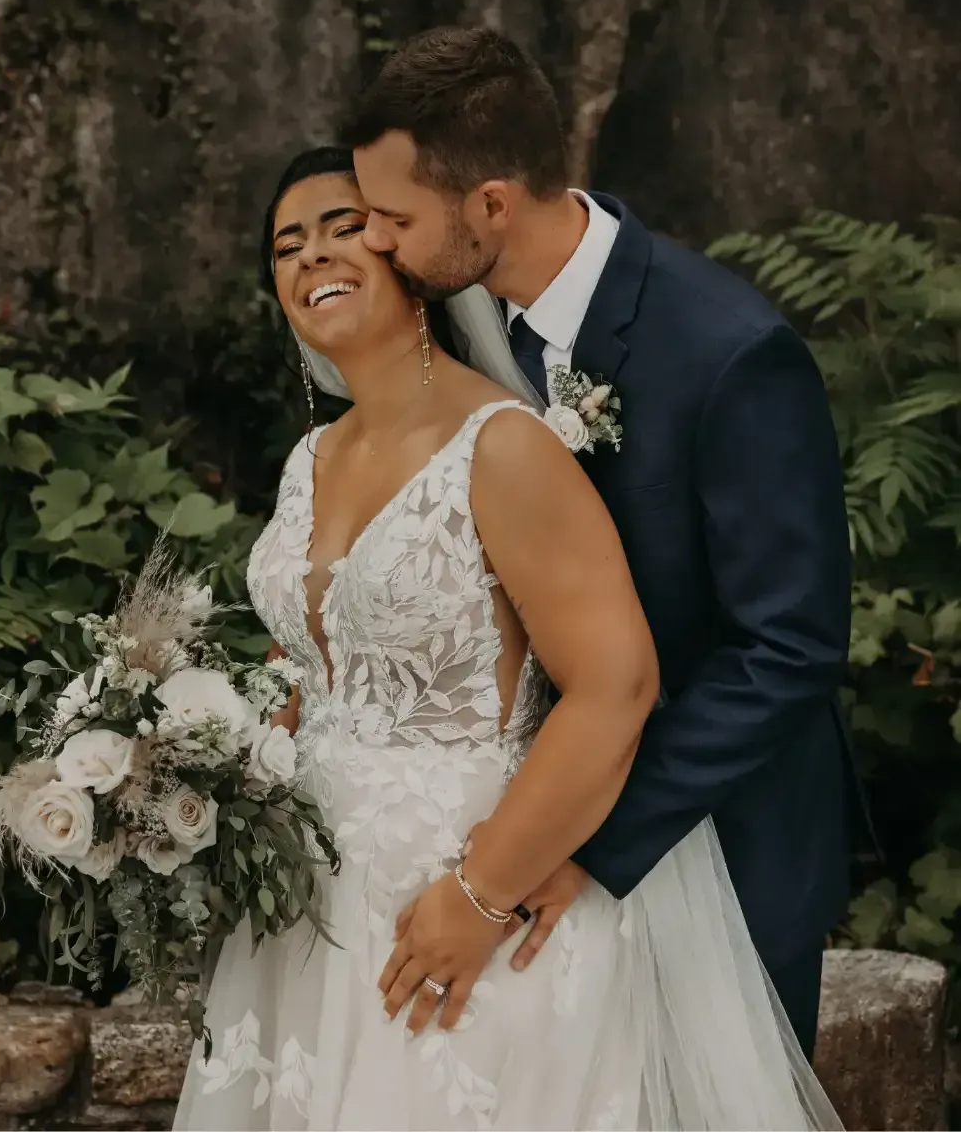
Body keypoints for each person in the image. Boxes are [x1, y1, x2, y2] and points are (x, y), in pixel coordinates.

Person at [172, 144, 841, 1131]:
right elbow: (309, 662)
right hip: (311, 908)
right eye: (285, 244)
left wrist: (478, 895)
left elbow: (613, 684)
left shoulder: (502, 445)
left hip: (469, 881)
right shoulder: (309, 457)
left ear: (412, 257)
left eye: (343, 225)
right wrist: (193, 783)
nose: (311, 254)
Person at [342, 25, 859, 1064]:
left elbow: (787, 646)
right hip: (519, 834)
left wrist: (583, 840)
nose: (378, 245)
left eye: (395, 217)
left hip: (708, 836)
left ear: (490, 202)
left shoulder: (730, 355)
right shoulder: (453, 318)